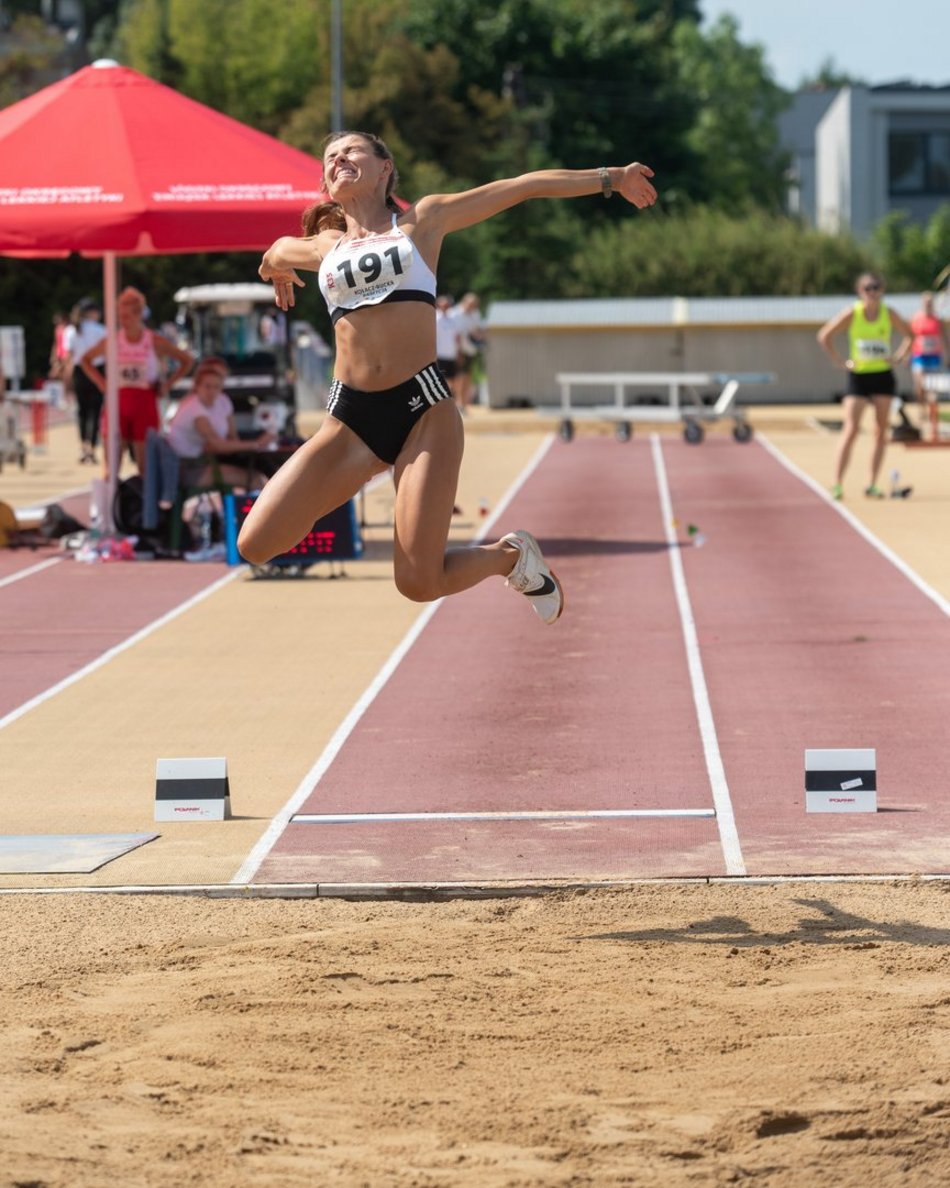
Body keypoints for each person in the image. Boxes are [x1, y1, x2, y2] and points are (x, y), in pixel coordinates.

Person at [237, 131, 657, 624]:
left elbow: (524, 186)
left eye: (351, 151)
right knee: (255, 544)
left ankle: (510, 557)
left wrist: (612, 178)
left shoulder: (423, 221)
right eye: (330, 157)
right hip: (350, 419)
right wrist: (274, 266)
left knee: (419, 583)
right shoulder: (324, 248)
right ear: (327, 185)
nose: (339, 159)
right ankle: (373, 468)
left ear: (385, 168)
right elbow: (278, 250)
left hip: (422, 412)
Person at [79, 285, 194, 477]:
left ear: (139, 314)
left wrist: (168, 384)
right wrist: (101, 383)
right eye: (120, 316)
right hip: (118, 402)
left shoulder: (153, 340)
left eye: (127, 317)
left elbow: (187, 360)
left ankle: (144, 496)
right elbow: (85, 360)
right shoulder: (112, 340)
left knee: (145, 468)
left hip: (145, 402)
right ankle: (112, 496)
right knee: (110, 469)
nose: (122, 321)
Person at [817, 271, 913, 500]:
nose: (872, 292)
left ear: (882, 290)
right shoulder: (853, 313)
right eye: (867, 288)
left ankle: (872, 484)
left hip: (882, 376)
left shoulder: (889, 313)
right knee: (851, 429)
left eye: (876, 287)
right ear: (859, 291)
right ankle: (837, 484)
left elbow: (910, 335)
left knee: (880, 431)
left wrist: (898, 357)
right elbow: (824, 336)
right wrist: (840, 361)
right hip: (859, 377)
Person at [165, 357, 275, 493]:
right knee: (256, 478)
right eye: (207, 386)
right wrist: (256, 444)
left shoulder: (221, 401)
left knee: (261, 467)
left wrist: (251, 445)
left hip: (205, 461)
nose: (211, 391)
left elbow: (231, 438)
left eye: (216, 386)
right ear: (197, 386)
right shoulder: (194, 408)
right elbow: (216, 445)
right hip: (190, 468)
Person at [68, 298, 107, 464]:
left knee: (82, 411)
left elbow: (70, 357)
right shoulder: (101, 330)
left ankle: (83, 446)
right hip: (97, 370)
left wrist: (67, 379)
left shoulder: (71, 331)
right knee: (95, 411)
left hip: (79, 372)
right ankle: (91, 446)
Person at [908, 291, 949, 443]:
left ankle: (933, 415)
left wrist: (947, 355)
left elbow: (944, 338)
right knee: (920, 385)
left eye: (930, 303)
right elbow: (910, 337)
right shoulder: (916, 318)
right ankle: (922, 410)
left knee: (932, 388)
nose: (928, 305)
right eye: (926, 303)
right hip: (919, 356)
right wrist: (907, 355)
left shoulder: (938, 320)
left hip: (934, 357)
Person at [452, 291, 486, 410]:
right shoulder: (454, 314)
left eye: (474, 305)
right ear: (464, 302)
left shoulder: (475, 314)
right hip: (456, 350)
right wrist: (457, 351)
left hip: (470, 349)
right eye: (471, 304)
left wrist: (478, 336)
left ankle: (464, 403)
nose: (472, 307)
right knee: (458, 377)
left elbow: (478, 330)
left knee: (467, 376)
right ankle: (458, 402)